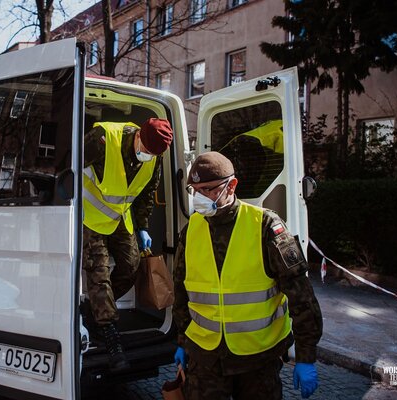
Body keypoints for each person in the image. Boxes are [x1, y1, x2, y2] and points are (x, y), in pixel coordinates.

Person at [172, 151, 323, 399]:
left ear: (231, 186)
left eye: (207, 189)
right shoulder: (190, 231)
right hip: (205, 358)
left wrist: (306, 356)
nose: (199, 197)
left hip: (258, 360)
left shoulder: (265, 226)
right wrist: (182, 340)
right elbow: (181, 292)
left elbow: (301, 295)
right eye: (194, 189)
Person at [82, 118, 173, 371]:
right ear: (138, 136)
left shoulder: (155, 154)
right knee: (98, 274)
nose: (148, 156)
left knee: (132, 267)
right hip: (89, 216)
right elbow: (71, 165)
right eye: (146, 149)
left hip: (120, 217)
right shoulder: (104, 138)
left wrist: (142, 226)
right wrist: (69, 204)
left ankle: (94, 309)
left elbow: (147, 193)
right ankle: (110, 335)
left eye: (154, 154)